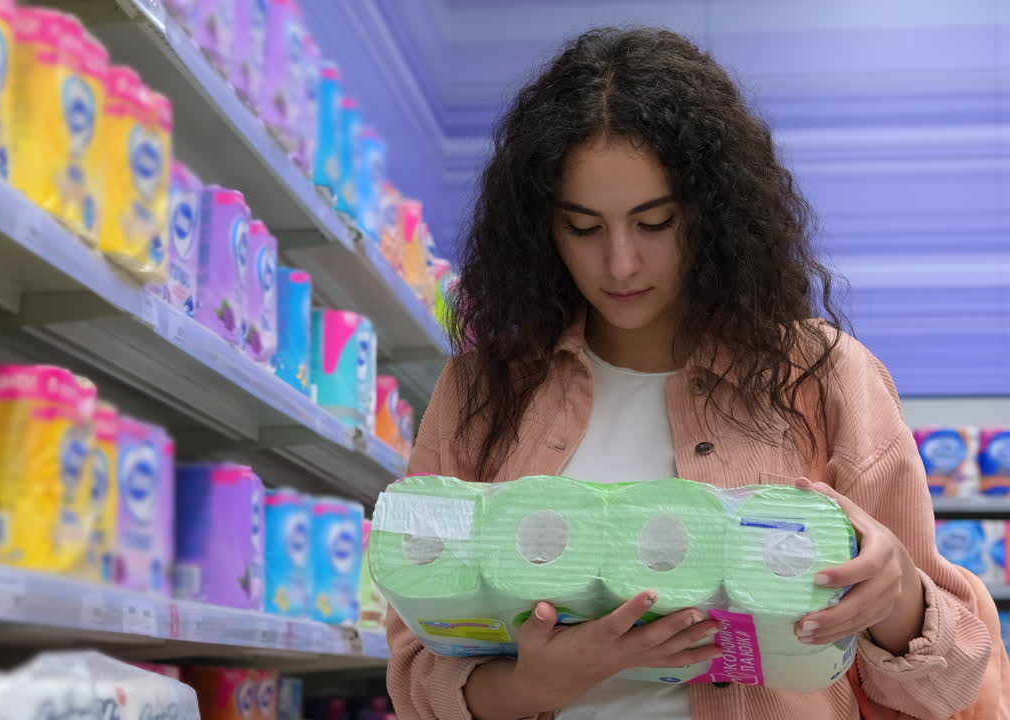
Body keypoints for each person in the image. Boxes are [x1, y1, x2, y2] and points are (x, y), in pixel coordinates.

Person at [388, 27, 993, 720]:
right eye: (583, 228)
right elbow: (414, 674)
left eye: (655, 222)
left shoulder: (824, 377)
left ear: (713, 212)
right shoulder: (480, 392)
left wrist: (897, 601)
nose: (619, 264)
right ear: (540, 229)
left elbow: (951, 685)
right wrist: (535, 686)